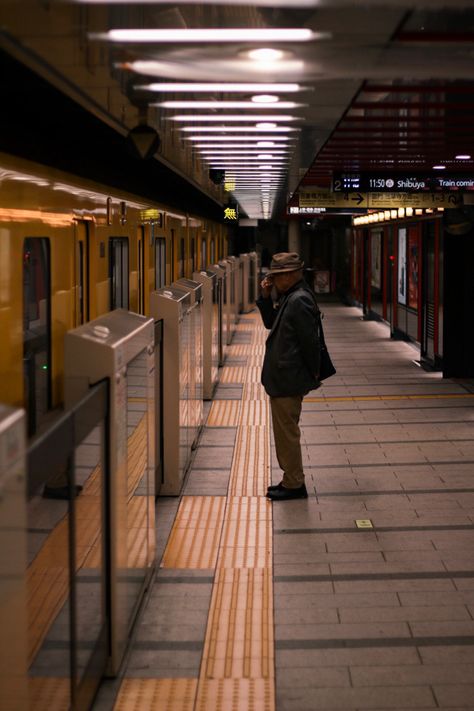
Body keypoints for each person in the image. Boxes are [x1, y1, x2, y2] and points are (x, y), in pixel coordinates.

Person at [256, 252, 321, 501]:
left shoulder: (299, 300)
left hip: (288, 378)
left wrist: (311, 373)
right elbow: (270, 323)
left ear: (292, 275)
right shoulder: (289, 297)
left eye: (277, 276)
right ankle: (290, 479)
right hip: (284, 377)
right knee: (285, 433)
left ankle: (294, 484)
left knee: (287, 434)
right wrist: (265, 296)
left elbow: (310, 341)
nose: (273, 280)